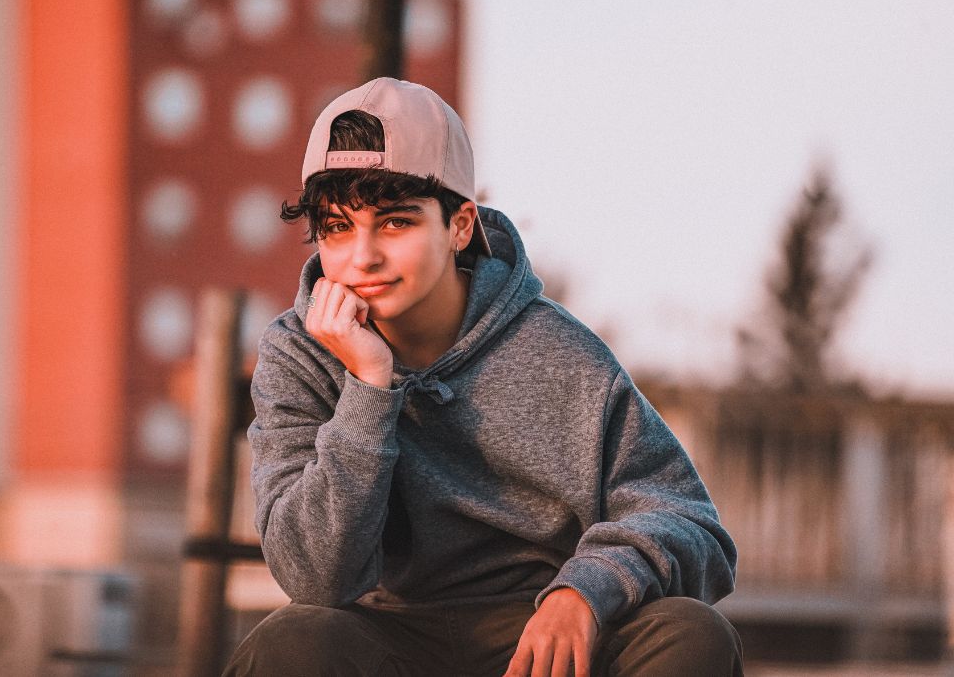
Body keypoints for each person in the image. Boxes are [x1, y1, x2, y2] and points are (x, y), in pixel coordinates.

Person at [223, 77, 742, 676]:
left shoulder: (555, 349)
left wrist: (585, 592)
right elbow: (315, 578)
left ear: (461, 225)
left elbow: (689, 522)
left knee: (691, 635)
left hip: (542, 633)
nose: (362, 257)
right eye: (338, 227)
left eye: (395, 223)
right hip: (385, 633)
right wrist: (368, 387)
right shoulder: (300, 354)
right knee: (291, 642)